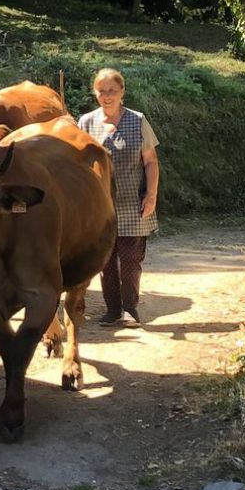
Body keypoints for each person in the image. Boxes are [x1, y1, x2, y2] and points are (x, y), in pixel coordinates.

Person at [78, 67, 159, 327]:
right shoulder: (86, 123)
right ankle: (112, 310)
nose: (107, 95)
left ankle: (130, 309)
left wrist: (151, 196)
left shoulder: (137, 120)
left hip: (132, 201)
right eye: (101, 91)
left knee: (132, 259)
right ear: (95, 93)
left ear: (122, 91)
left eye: (112, 90)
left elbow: (151, 162)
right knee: (106, 261)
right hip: (100, 207)